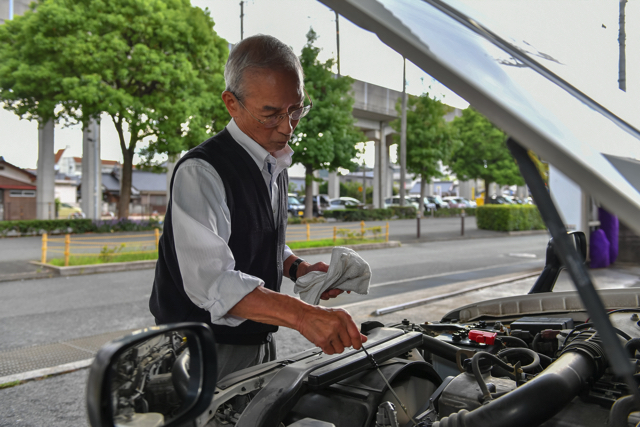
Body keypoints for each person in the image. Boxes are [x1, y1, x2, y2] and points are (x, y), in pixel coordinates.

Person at [150, 34, 366, 380]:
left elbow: (256, 237)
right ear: (232, 104)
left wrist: (298, 268)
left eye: (295, 109)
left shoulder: (273, 162)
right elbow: (213, 281)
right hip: (201, 351)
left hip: (259, 338)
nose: (287, 127)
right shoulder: (201, 171)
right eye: (271, 114)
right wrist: (302, 315)